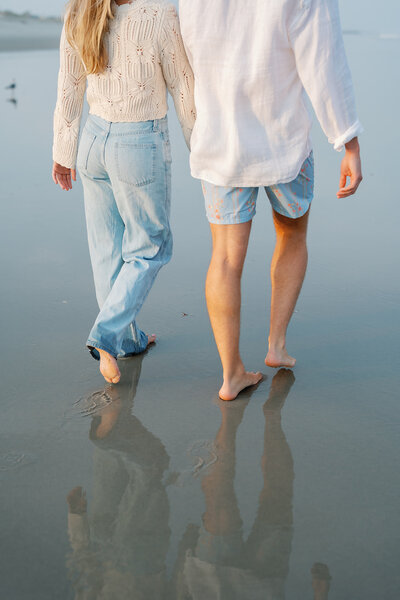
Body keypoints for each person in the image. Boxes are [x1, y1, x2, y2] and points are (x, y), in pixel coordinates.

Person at [179, 0, 363, 400]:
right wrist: (347, 139)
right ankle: (276, 345)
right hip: (284, 139)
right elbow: (323, 60)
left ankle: (231, 376)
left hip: (219, 139)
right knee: (293, 235)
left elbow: (190, 48)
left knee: (225, 257)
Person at [52, 0, 195, 384]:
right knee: (150, 246)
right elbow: (183, 86)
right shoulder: (159, 15)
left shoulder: (79, 11)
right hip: (138, 144)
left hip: (92, 143)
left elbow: (69, 86)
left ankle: (127, 340)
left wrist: (63, 153)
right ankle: (106, 335)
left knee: (107, 250)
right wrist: (201, 149)